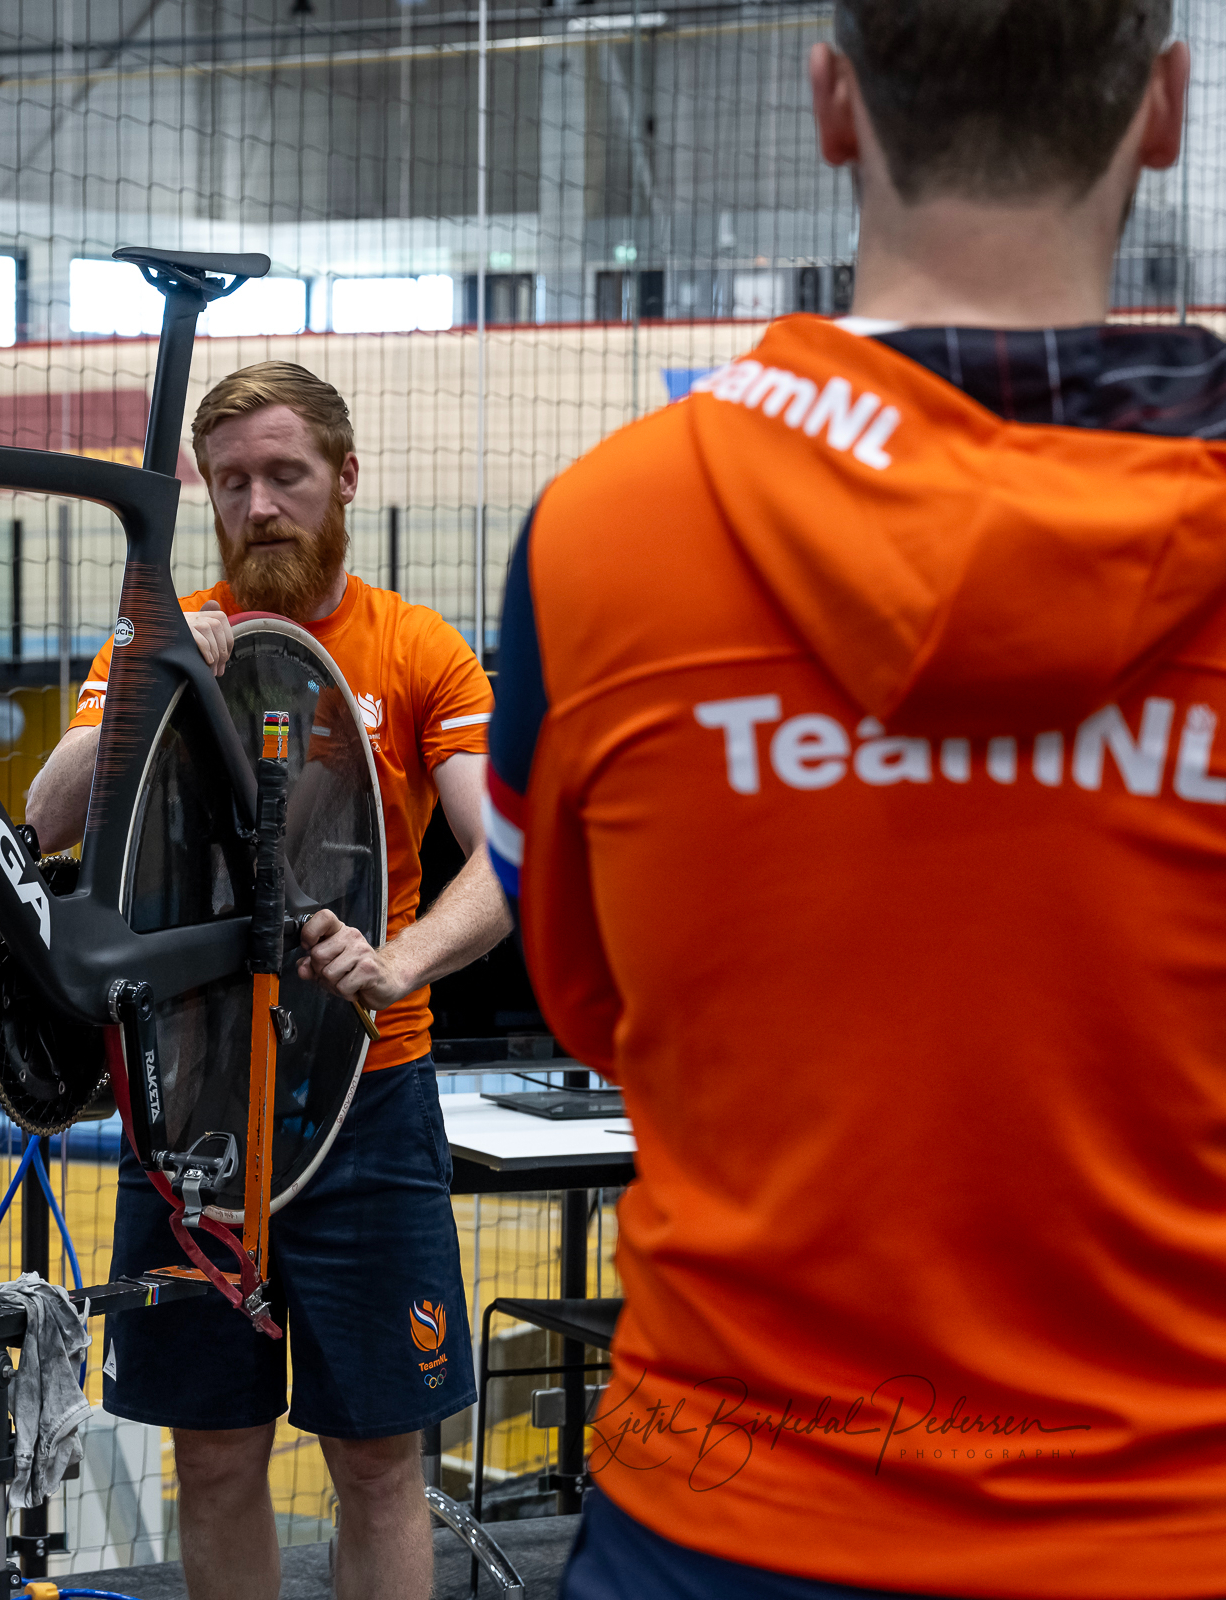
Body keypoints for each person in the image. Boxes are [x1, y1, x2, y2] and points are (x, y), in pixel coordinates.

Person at [485, 5, 1223, 1595]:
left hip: (730, 1513)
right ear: (1163, 107)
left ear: (832, 104)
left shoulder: (602, 539)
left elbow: (593, 1004)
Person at [25, 362, 511, 1600]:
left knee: (378, 1461)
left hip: (367, 1106)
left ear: (345, 478)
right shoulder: (165, 636)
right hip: (191, 1110)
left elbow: (515, 857)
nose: (260, 505)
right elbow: (44, 812)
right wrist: (145, 686)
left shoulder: (418, 648)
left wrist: (397, 961)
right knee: (219, 1456)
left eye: (286, 474)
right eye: (231, 481)